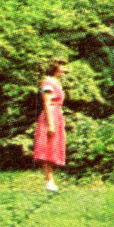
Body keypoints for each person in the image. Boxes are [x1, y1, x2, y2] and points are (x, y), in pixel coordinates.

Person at [33, 58, 67, 192]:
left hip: (57, 115)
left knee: (54, 147)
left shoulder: (55, 82)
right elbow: (46, 103)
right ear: (55, 68)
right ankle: (49, 181)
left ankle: (51, 181)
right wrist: (51, 124)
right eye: (62, 67)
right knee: (47, 148)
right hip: (50, 116)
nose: (64, 70)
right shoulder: (47, 83)